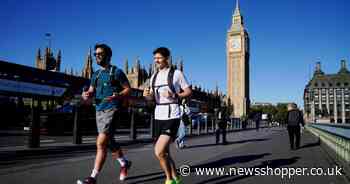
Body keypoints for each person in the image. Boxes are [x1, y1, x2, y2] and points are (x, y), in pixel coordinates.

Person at [80, 43, 132, 184]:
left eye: (100, 54)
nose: (97, 56)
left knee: (101, 142)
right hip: (99, 110)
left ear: (108, 56)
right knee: (109, 142)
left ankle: (93, 178)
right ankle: (124, 163)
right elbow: (91, 91)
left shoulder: (116, 72)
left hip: (112, 109)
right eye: (95, 54)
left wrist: (118, 95)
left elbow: (128, 89)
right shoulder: (95, 75)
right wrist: (86, 95)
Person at [144, 47, 192, 184]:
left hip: (173, 115)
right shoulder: (153, 77)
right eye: (154, 59)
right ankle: (177, 177)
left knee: (158, 151)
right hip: (158, 116)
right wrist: (147, 96)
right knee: (165, 152)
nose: (156, 61)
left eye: (159, 58)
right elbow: (152, 99)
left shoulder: (176, 74)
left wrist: (175, 95)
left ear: (167, 58)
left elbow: (188, 92)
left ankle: (169, 179)